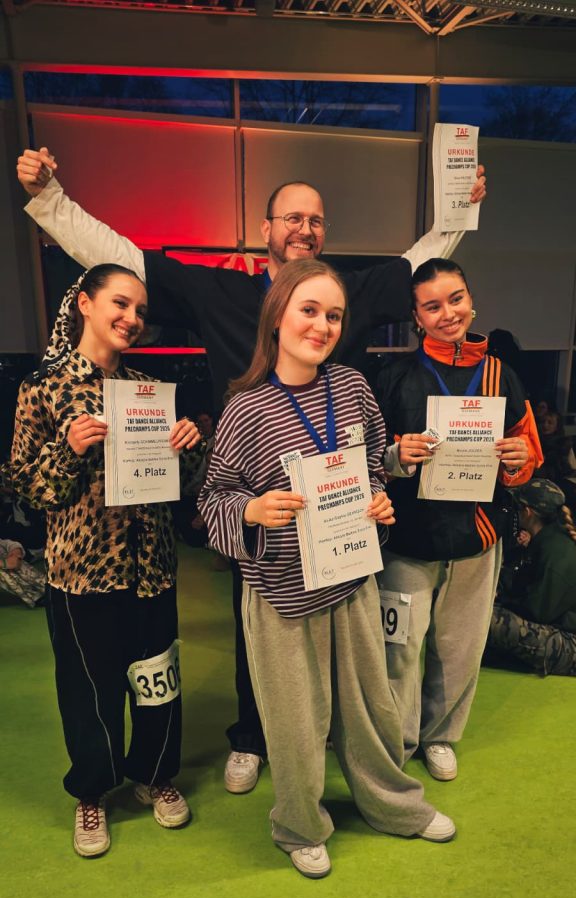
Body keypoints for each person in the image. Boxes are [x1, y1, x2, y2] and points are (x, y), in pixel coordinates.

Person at [16, 147, 486, 796]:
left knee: (344, 620)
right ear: (265, 230)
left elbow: (416, 265)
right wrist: (51, 200)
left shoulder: (341, 292)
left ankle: (335, 733)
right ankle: (253, 737)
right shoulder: (224, 291)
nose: (304, 229)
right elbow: (125, 258)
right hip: (256, 494)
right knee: (256, 621)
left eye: (315, 220)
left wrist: (459, 207)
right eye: (291, 217)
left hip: (337, 496)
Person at [198, 258, 456, 878]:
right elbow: (212, 500)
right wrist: (252, 509)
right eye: (309, 310)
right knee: (296, 722)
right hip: (283, 596)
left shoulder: (352, 387)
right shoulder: (244, 408)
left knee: (371, 708)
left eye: (333, 315)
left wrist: (379, 498)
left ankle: (392, 803)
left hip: (352, 579)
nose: (321, 326)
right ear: (277, 316)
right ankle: (299, 824)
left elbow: (370, 467)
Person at [10, 264, 202, 857]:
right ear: (86, 304)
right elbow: (26, 486)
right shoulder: (43, 387)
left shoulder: (148, 389)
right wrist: (67, 450)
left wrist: (188, 449)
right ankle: (92, 791)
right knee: (88, 690)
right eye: (121, 303)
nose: (132, 318)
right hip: (81, 572)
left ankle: (155, 773)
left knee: (157, 679)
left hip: (153, 565)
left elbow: (180, 488)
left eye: (141, 310)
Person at [377, 257, 543, 781]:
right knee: (400, 649)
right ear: (416, 317)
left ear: (472, 302)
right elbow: (368, 457)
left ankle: (440, 736)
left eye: (455, 299)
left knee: (460, 649)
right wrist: (396, 456)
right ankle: (399, 739)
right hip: (407, 541)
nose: (447, 313)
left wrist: (519, 461)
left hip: (477, 539)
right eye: (432, 306)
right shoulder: (394, 377)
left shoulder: (501, 375)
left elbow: (528, 454)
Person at [486, 479, 576, 676]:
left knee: (488, 619)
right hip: (560, 631)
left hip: (570, 643)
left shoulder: (556, 551)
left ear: (528, 512)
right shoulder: (550, 540)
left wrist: (501, 603)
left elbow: (537, 612)